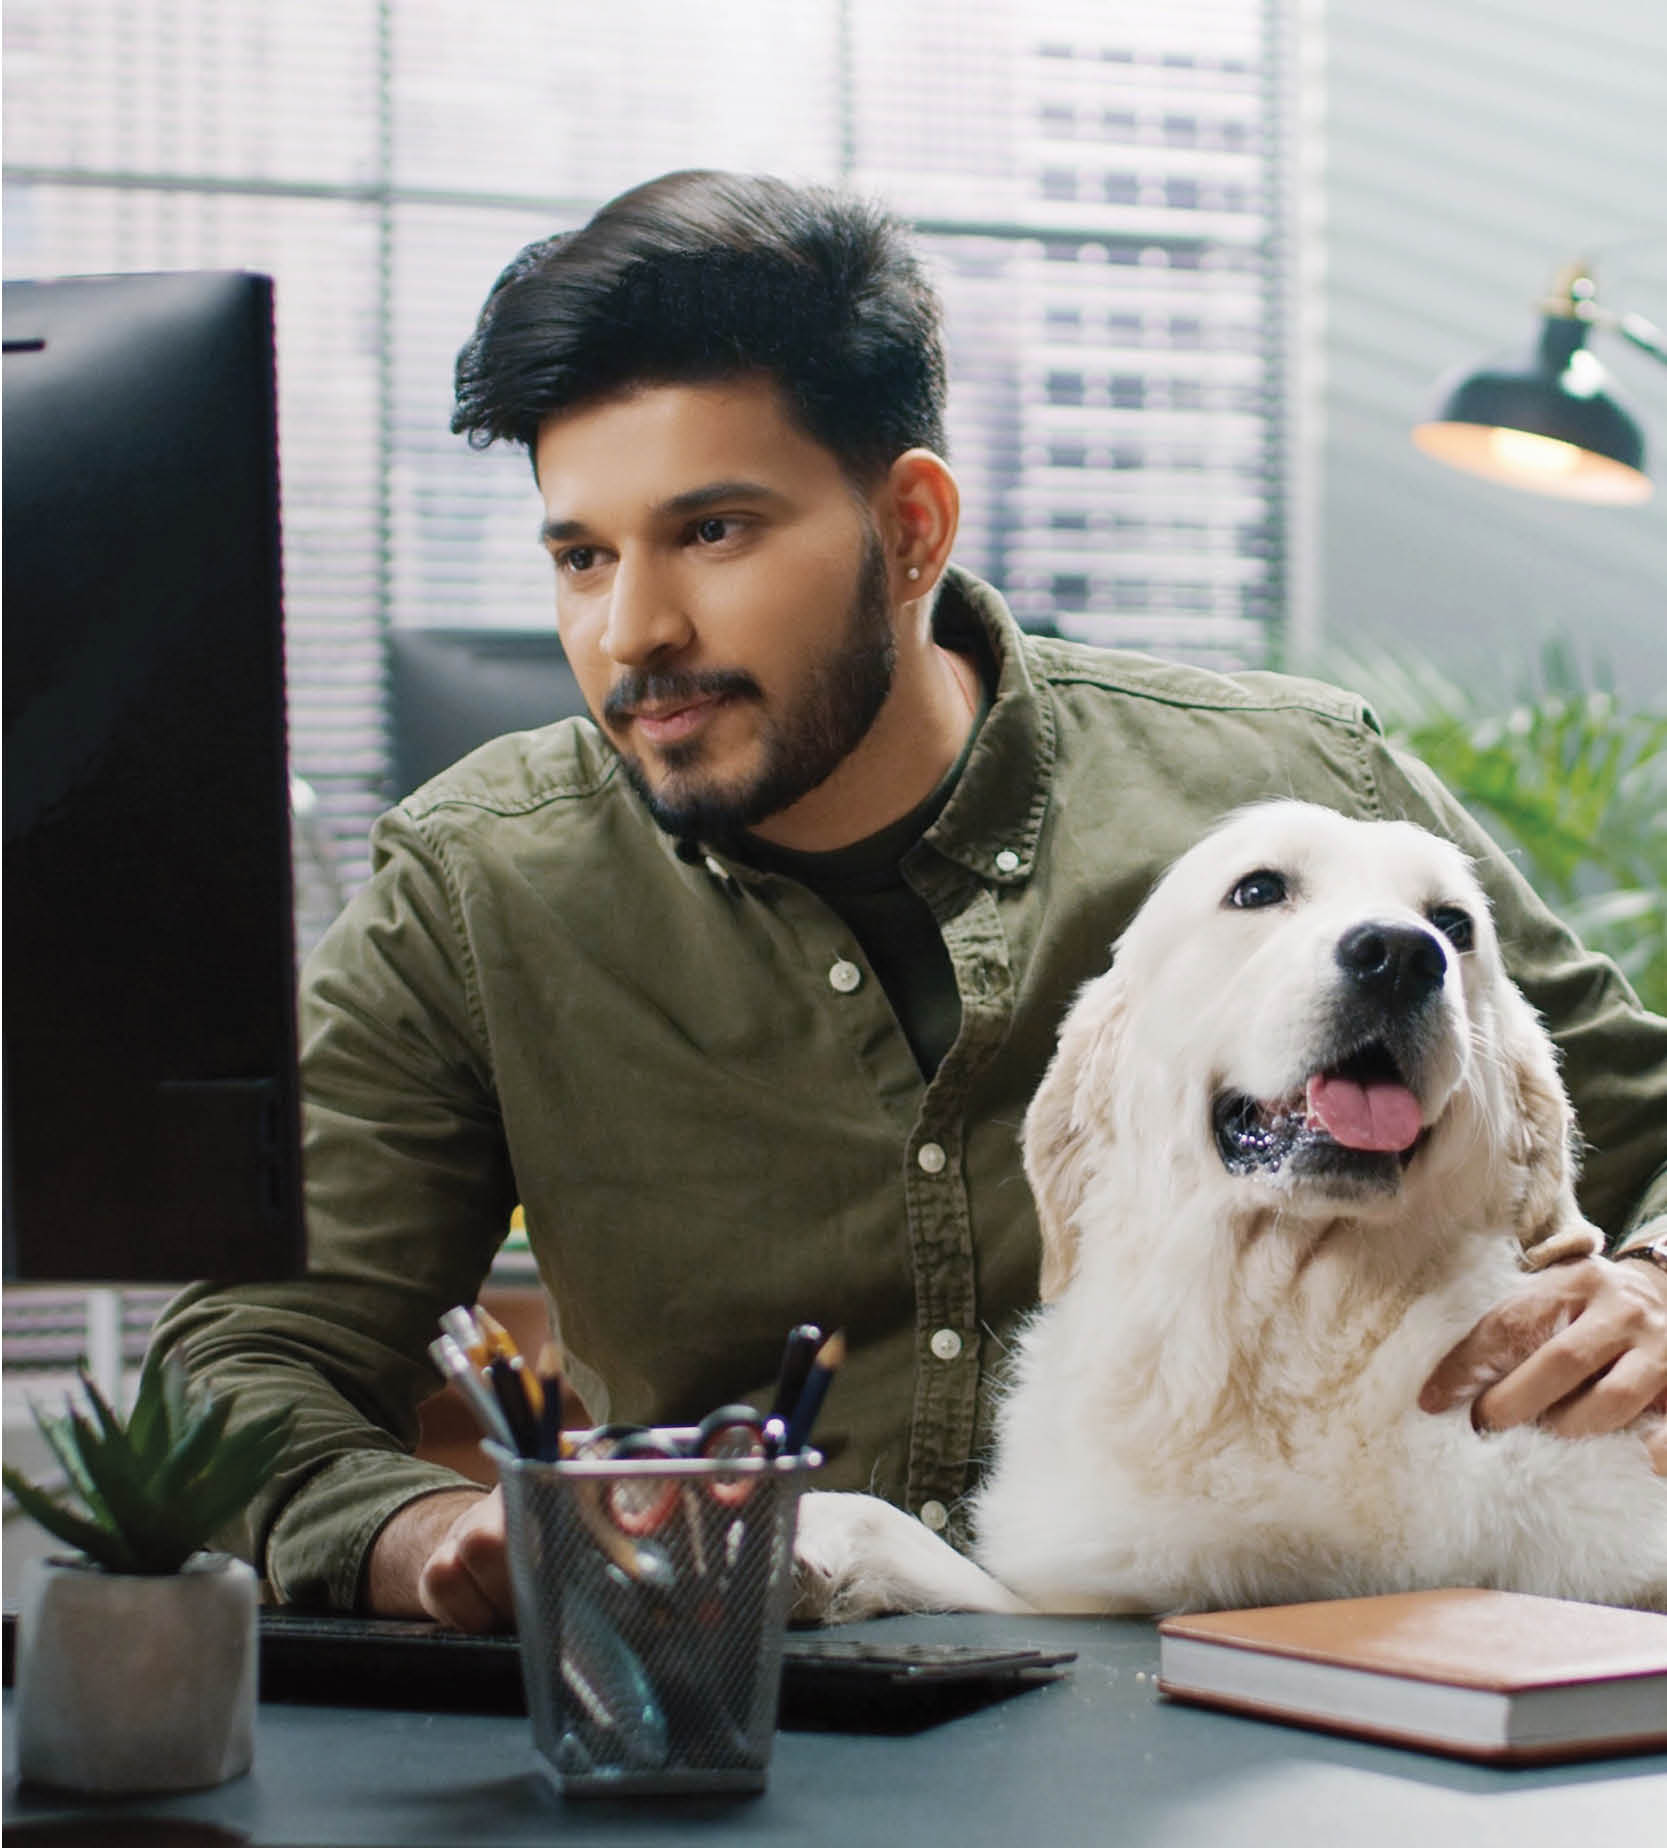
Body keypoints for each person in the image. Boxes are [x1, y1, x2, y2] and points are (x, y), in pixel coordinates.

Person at [152, 170, 1667, 1633]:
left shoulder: (1288, 791)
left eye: (714, 532)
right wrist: (424, 1535)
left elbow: (1643, 1121)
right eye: (580, 554)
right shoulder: (478, 890)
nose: (633, 632)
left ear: (914, 530)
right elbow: (243, 1358)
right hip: (736, 1728)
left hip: (1238, 1704)